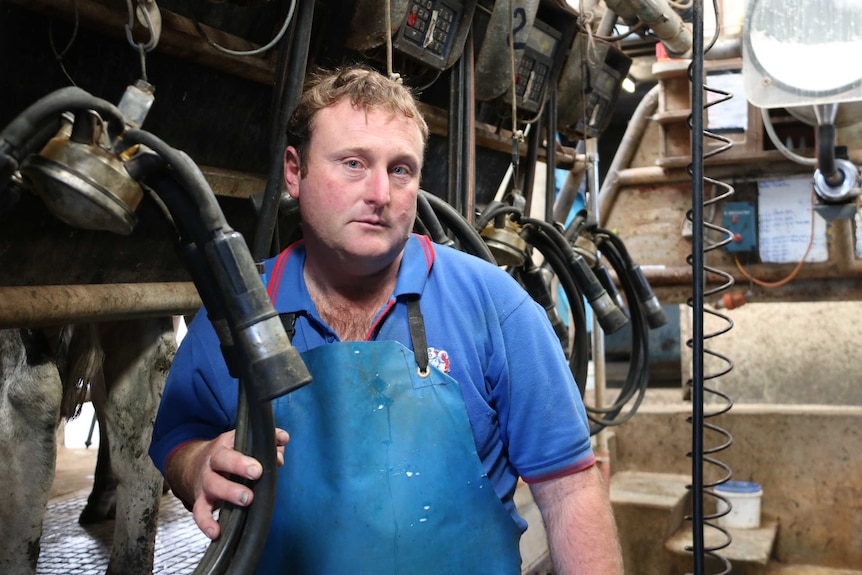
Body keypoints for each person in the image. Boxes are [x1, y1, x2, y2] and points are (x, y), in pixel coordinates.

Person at [149, 64, 623, 574]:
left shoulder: (494, 306)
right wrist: (198, 466)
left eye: (401, 169)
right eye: (353, 163)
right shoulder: (238, 310)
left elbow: (571, 488)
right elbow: (179, 440)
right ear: (294, 171)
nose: (380, 193)